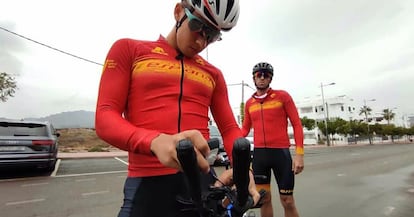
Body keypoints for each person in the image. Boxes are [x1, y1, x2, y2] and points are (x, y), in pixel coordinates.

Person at [95, 1, 260, 217]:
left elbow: (229, 129)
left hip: (201, 181)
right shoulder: (129, 50)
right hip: (147, 185)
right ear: (178, 12)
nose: (202, 41)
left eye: (211, 35)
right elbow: (105, 116)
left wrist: (243, 170)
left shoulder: (214, 74)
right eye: (197, 26)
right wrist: (154, 141)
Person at [241, 62, 304, 217]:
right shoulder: (249, 103)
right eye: (259, 75)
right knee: (264, 198)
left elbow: (297, 124)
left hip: (280, 154)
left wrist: (299, 155)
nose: (262, 78)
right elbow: (244, 130)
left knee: (287, 199)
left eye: (266, 75)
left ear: (270, 79)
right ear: (254, 78)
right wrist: (230, 141)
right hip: (260, 156)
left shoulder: (282, 96)